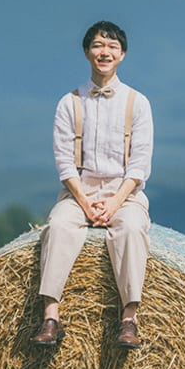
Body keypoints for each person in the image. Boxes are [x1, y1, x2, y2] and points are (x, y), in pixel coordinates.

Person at [32, 21, 154, 350]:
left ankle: (129, 318)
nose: (105, 52)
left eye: (112, 47)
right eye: (99, 45)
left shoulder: (137, 103)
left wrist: (114, 204)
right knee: (57, 226)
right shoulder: (69, 103)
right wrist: (85, 203)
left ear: (122, 55)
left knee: (130, 228)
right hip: (78, 190)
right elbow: (64, 163)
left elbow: (140, 165)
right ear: (87, 52)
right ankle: (51, 316)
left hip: (124, 193)